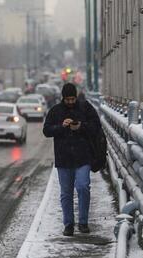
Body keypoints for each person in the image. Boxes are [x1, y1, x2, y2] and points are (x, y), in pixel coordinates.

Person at [42, 83, 100, 236]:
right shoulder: (55, 111)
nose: (70, 102)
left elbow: (96, 126)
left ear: (76, 97)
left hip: (83, 156)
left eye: (72, 98)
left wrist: (80, 127)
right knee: (66, 193)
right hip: (64, 158)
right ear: (63, 98)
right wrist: (61, 127)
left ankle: (83, 222)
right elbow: (46, 130)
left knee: (83, 187)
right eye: (67, 99)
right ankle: (68, 224)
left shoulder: (85, 108)